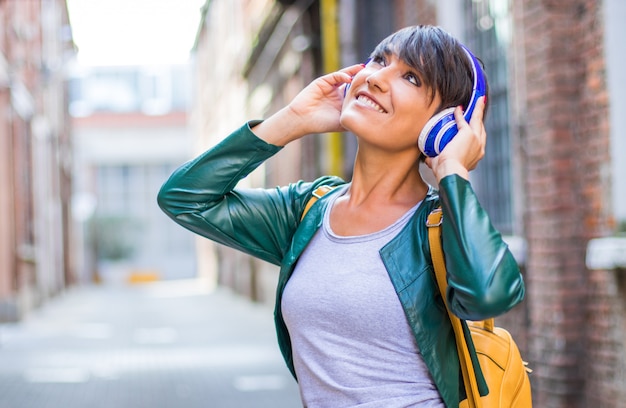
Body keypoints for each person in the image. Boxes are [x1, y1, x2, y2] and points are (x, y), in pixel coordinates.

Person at [158, 25, 525, 408]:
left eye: (410, 77)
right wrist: (292, 120)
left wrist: (452, 169)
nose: (376, 77)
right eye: (380, 60)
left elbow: (490, 296)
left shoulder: (438, 226)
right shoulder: (307, 210)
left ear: (445, 124)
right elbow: (185, 199)